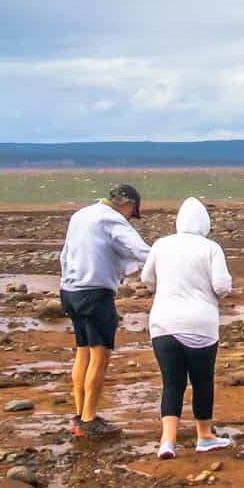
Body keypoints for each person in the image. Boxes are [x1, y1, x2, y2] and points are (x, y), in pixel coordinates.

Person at [142, 198, 234, 459]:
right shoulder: (211, 248)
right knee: (202, 381)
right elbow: (221, 286)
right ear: (205, 223)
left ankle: (167, 441)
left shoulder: (162, 244)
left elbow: (147, 279)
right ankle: (204, 436)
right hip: (201, 323)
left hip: (163, 323)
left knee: (172, 383)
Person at [59, 183, 151, 438]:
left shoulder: (81, 215)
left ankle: (80, 416)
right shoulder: (112, 219)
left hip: (70, 290)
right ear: (129, 205)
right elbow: (139, 250)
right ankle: (88, 420)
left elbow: (64, 254)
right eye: (132, 213)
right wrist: (167, 259)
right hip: (95, 294)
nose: (130, 218)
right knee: (100, 356)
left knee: (83, 351)